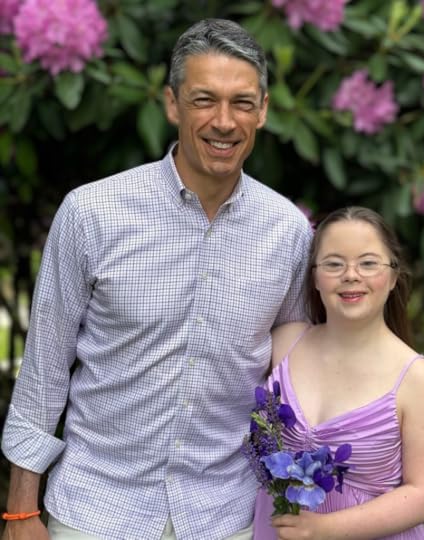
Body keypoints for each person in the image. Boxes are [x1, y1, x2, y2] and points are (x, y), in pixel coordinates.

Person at [1, 18, 313, 540]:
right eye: (203, 100)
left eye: (241, 103)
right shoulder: (91, 213)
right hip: (94, 512)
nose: (223, 121)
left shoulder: (288, 232)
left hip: (227, 517)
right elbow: (44, 372)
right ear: (171, 104)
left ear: (262, 110)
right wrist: (19, 511)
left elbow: (300, 376)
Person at [253, 206, 424, 539]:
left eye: (368, 263)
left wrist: (323, 529)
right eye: (334, 263)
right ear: (315, 277)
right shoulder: (285, 343)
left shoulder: (418, 379)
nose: (351, 275)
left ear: (392, 277)